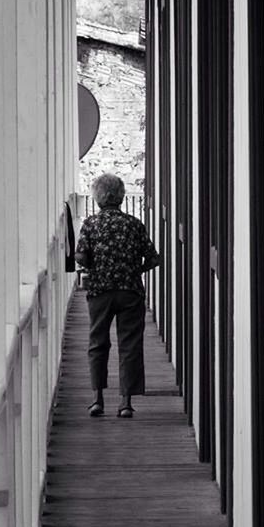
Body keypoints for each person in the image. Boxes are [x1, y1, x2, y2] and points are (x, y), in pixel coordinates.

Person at [75, 173, 160, 417]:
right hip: (130, 291)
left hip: (100, 291)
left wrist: (90, 265)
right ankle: (125, 403)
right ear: (121, 197)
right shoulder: (134, 224)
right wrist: (134, 269)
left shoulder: (91, 224)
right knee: (130, 344)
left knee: (98, 343)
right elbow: (153, 258)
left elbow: (80, 256)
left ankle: (97, 399)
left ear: (98, 197)